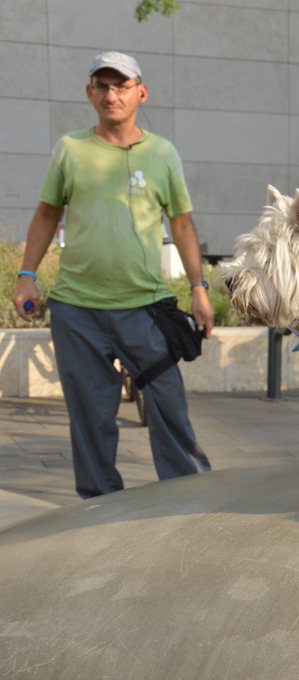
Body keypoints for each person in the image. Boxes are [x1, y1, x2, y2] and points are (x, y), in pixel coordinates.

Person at [9, 51, 213, 499]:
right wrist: (26, 275)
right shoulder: (71, 148)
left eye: (121, 85)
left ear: (141, 91)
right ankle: (99, 508)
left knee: (169, 406)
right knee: (91, 417)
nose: (111, 94)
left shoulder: (162, 153)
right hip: (76, 310)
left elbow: (181, 223)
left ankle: (189, 499)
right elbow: (46, 214)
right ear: (89, 93)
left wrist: (199, 288)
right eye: (101, 85)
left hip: (145, 309)